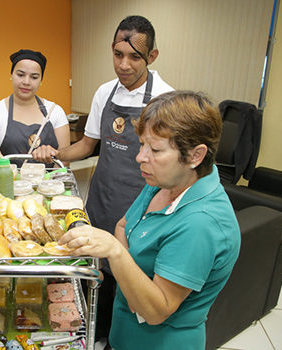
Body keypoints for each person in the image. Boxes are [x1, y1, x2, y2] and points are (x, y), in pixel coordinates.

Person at [60, 91, 241, 350]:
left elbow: (156, 311)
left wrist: (115, 253)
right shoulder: (164, 182)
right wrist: (132, 285)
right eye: (142, 144)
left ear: (195, 156)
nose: (140, 157)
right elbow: (124, 224)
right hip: (123, 333)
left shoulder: (201, 223)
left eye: (155, 149)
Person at [33, 15, 173, 343]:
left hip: (140, 206)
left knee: (128, 277)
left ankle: (114, 338)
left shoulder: (165, 100)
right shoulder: (104, 93)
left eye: (134, 57)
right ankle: (89, 333)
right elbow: (86, 145)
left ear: (151, 57)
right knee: (93, 273)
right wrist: (53, 152)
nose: (123, 65)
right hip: (101, 199)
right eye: (117, 54)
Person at [0, 49, 70, 167]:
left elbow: (64, 163)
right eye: (20, 75)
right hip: (7, 184)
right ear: (11, 75)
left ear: (41, 81)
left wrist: (49, 184)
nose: (26, 82)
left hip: (50, 183)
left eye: (34, 77)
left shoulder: (55, 111)